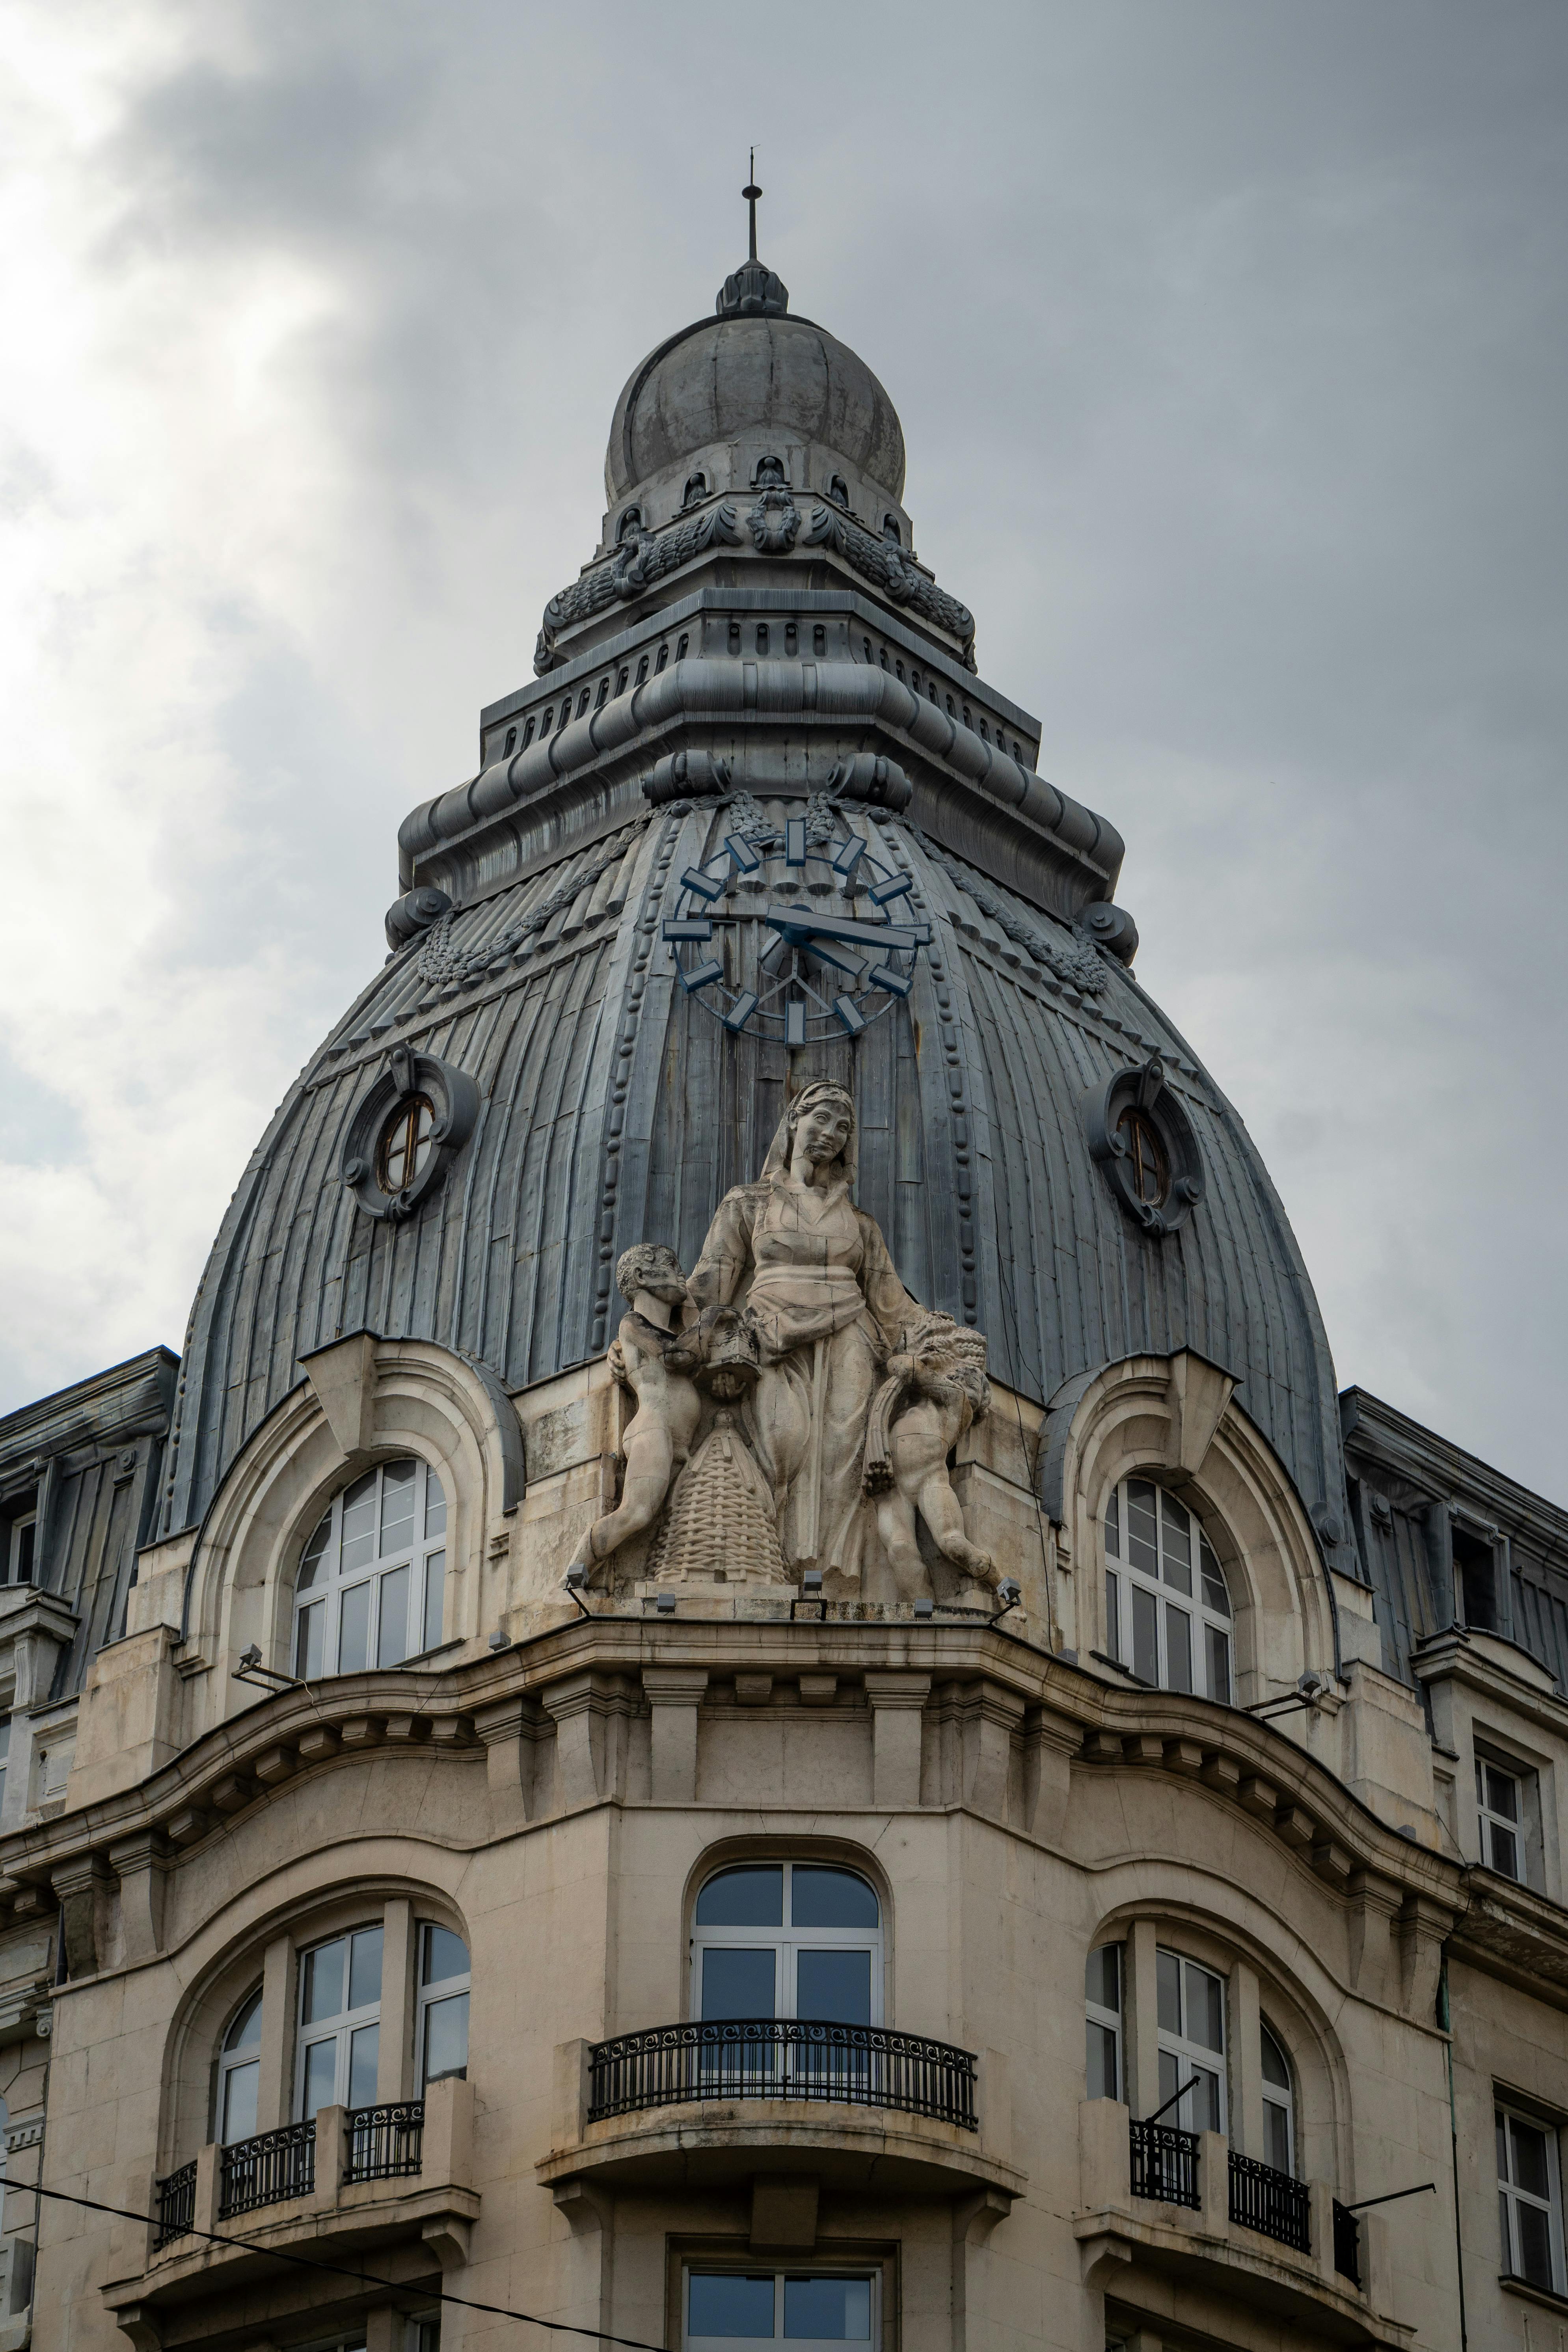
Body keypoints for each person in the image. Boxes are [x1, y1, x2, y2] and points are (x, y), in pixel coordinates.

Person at [686, 1083, 916, 1577]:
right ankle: (769, 1557)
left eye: (843, 1127)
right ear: (794, 1120)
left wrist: (947, 1349)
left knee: (841, 1454)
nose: (830, 1134)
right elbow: (708, 1290)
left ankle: (831, 1570)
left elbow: (896, 1310)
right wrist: (645, 1335)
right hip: (771, 1335)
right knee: (779, 1443)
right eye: (822, 1119)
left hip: (850, 1336)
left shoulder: (860, 1225)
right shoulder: (749, 1203)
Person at [568, 1242, 700, 1581]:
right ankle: (573, 1575)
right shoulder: (633, 1324)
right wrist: (712, 1321)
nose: (681, 1272)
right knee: (637, 1513)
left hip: (678, 1436)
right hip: (654, 1427)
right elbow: (676, 1356)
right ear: (642, 1276)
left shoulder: (670, 1330)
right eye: (671, 1264)